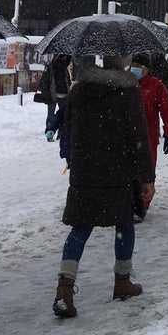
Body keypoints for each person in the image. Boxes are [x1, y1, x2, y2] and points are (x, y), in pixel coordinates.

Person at [52, 55, 155, 318]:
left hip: (85, 172)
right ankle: (122, 282)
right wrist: (147, 177)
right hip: (118, 172)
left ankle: (64, 288)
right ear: (122, 61)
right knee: (124, 225)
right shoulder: (128, 92)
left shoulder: (79, 91)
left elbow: (69, 126)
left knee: (80, 228)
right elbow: (138, 137)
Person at [129, 53, 168, 222]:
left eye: (139, 65)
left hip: (148, 137)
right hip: (127, 138)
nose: (135, 68)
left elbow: (167, 111)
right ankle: (127, 204)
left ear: (147, 69)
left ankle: (141, 206)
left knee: (146, 172)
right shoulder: (125, 84)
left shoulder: (156, 86)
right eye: (133, 64)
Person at [39, 54, 72, 124]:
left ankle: (49, 130)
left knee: (52, 115)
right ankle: (60, 130)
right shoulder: (63, 67)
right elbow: (68, 82)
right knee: (63, 115)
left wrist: (46, 94)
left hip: (53, 94)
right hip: (61, 94)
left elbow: (44, 82)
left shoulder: (51, 67)